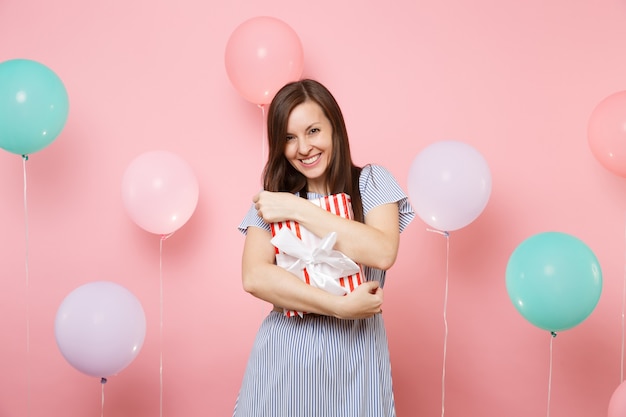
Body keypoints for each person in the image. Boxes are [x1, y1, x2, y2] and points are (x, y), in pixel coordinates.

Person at [233, 79, 415, 417]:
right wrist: (338, 306)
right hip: (286, 359)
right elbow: (255, 276)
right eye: (289, 137)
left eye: (313, 130)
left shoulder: (371, 182)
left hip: (355, 359)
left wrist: (299, 209)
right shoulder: (271, 200)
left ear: (334, 128)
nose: (303, 148)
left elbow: (382, 251)